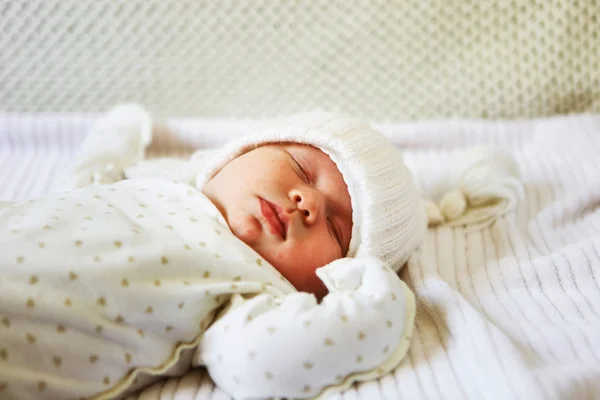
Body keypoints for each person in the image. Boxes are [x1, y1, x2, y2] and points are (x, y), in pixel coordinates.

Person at [0, 105, 426, 399]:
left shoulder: (251, 290)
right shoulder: (157, 188)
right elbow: (80, 190)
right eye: (301, 168)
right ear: (238, 153)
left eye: (336, 228)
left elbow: (259, 361)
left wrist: (375, 289)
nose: (308, 203)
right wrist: (112, 144)